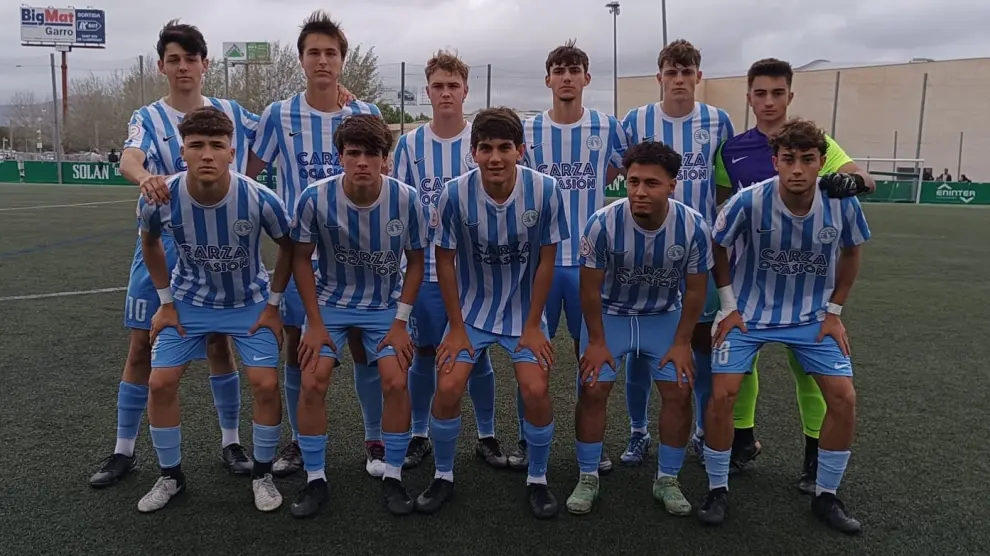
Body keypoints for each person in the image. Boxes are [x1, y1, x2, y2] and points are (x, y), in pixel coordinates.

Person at [90, 20, 259, 488]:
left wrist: (338, 90)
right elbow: (129, 157)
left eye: (190, 59)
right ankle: (123, 450)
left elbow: (274, 137)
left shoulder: (232, 112)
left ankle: (231, 442)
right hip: (161, 243)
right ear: (162, 65)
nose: (182, 67)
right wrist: (144, 176)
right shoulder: (147, 116)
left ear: (205, 65)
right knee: (142, 342)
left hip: (220, 244)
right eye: (173, 59)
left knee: (218, 339)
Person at [713, 57, 876, 490]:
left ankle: (812, 457)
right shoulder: (733, 148)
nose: (769, 102)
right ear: (749, 97)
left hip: (807, 292)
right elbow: (722, 206)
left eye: (777, 93)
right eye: (760, 93)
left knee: (809, 373)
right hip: (752, 285)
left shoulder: (814, 140)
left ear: (790, 95)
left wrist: (851, 184)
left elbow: (862, 178)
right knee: (741, 372)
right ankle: (742, 442)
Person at [249, 10, 387, 479]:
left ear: (342, 61)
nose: (322, 61)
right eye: (314, 53)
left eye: (331, 53)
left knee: (363, 346)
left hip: (358, 252)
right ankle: (297, 439)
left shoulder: (364, 114)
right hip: (299, 253)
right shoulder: (277, 115)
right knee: (299, 346)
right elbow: (247, 176)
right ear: (302, 59)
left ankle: (375, 439)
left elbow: (385, 182)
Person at [135, 106, 293, 513]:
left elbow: (290, 247)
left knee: (265, 383)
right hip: (188, 302)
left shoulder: (259, 198)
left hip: (249, 303)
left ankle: (262, 474)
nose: (207, 154)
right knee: (160, 383)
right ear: (183, 151)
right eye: (197, 145)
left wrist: (273, 306)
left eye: (217, 146)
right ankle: (171, 475)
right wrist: (166, 303)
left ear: (231, 151)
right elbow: (149, 243)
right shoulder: (161, 198)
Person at [417, 107, 567, 519]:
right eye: (486, 148)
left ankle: (538, 478)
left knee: (535, 389)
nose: (495, 157)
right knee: (447, 387)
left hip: (523, 314)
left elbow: (547, 261)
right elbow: (443, 261)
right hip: (471, 313)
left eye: (505, 148)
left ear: (520, 150)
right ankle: (443, 475)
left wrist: (535, 325)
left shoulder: (547, 190)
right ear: (473, 153)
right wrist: (457, 329)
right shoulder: (453, 193)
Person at [288, 114, 425, 518]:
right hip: (330, 303)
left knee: (396, 380)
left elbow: (416, 262)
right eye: (353, 153)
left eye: (372, 153)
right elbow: (299, 258)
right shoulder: (314, 197)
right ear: (340, 157)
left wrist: (401, 322)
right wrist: (313, 323)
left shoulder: (406, 199)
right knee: (312, 380)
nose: (362, 161)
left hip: (384, 306)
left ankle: (395, 475)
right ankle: (315, 478)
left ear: (385, 158)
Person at [565, 141, 711, 517]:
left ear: (672, 185)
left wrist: (682, 342)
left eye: (651, 183)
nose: (640, 192)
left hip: (663, 316)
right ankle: (587, 474)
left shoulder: (693, 226)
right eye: (633, 182)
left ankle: (668, 478)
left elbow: (696, 290)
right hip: (611, 316)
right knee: (593, 387)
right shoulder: (602, 224)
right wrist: (596, 341)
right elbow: (589, 288)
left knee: (679, 390)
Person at [511, 40, 628, 473]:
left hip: (588, 265)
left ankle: (590, 444)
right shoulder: (528, 131)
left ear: (586, 79)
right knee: (531, 353)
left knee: (591, 354)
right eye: (558, 70)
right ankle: (527, 440)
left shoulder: (608, 127)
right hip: (539, 264)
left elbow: (619, 173)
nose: (566, 77)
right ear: (547, 79)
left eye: (574, 69)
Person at [621, 39, 734, 467]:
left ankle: (703, 432)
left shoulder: (718, 121)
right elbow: (623, 173)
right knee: (636, 346)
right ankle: (637, 432)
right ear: (660, 77)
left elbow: (725, 181)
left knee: (699, 344)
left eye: (688, 72)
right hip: (643, 252)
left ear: (698, 77)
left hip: (697, 253)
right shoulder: (637, 120)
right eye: (672, 72)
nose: (680, 80)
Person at [391, 50, 504, 470]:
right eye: (437, 86)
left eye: (452, 85)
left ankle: (487, 434)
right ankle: (419, 431)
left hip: (474, 273)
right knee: (423, 352)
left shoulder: (481, 141)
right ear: (427, 91)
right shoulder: (410, 143)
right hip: (424, 271)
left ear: (465, 91)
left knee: (477, 356)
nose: (444, 93)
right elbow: (399, 205)